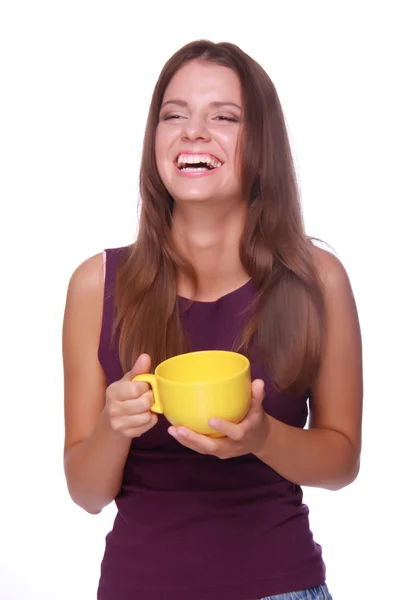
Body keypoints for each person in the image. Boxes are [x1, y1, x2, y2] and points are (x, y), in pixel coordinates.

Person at [62, 39, 363, 600]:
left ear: (262, 145)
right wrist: (114, 424)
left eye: (223, 117)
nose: (192, 132)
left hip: (282, 587)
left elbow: (341, 462)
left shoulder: (317, 279)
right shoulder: (94, 285)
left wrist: (262, 436)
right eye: (173, 115)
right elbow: (86, 492)